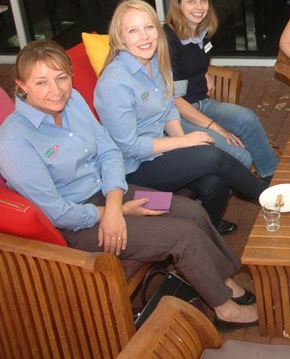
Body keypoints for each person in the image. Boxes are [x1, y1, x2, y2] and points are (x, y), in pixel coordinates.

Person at [0, 40, 259, 329]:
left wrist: (116, 204)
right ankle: (225, 309)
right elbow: (57, 213)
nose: (56, 89)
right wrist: (115, 213)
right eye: (42, 82)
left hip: (114, 195)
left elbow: (109, 152)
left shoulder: (72, 102)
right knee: (182, 234)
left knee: (190, 211)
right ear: (21, 85)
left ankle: (221, 279)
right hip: (82, 224)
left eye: (62, 77)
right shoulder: (15, 140)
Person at [94, 0, 266, 236]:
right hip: (132, 168)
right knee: (213, 155)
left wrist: (183, 140)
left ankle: (210, 227)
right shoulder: (114, 83)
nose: (144, 37)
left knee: (216, 183)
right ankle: (268, 198)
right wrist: (184, 143)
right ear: (120, 38)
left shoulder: (153, 61)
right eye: (133, 30)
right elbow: (128, 146)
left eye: (149, 27)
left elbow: (168, 108)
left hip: (159, 150)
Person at [165, 0, 279, 183]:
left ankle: (273, 175)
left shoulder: (200, 29)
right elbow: (174, 100)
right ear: (178, 4)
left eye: (203, 0)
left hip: (203, 102)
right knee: (241, 157)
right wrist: (216, 127)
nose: (199, 7)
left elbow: (196, 59)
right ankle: (252, 187)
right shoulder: (168, 40)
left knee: (248, 119)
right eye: (191, 1)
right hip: (177, 114)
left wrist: (205, 73)